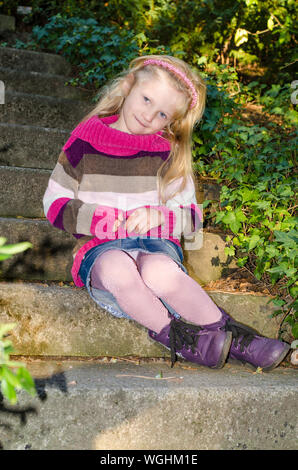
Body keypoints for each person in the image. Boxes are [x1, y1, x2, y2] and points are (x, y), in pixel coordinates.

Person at [43, 55, 290, 371]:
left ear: (171, 121)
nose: (148, 116)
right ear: (129, 86)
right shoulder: (86, 138)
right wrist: (93, 217)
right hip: (101, 250)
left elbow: (192, 218)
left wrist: (163, 217)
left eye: (162, 113)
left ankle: (233, 336)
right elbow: (54, 201)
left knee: (160, 273)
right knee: (119, 268)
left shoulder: (168, 152)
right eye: (146, 99)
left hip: (154, 246)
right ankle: (183, 340)